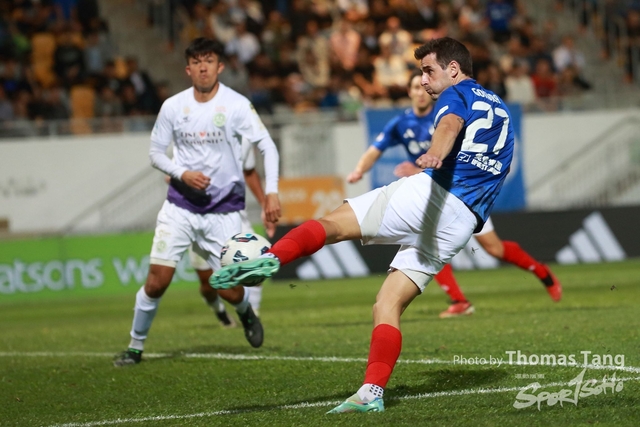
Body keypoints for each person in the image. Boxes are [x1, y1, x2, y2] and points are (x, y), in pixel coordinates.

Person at [211, 37, 514, 413]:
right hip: (463, 221)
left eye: (428, 71)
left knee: (333, 224)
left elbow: (449, 125)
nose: (423, 80)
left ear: (453, 69)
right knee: (387, 303)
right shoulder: (499, 107)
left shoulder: (456, 94)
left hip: (434, 194)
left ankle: (272, 258)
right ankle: (371, 394)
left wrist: (435, 153)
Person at [113, 38, 281, 367]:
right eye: (197, 62)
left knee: (230, 289)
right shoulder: (173, 106)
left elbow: (267, 146)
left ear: (220, 66)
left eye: (209, 61)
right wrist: (182, 174)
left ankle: (245, 313)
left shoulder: (237, 105)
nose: (203, 68)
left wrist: (272, 191)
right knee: (157, 281)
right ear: (188, 69)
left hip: (224, 212)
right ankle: (134, 347)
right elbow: (155, 154)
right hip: (180, 207)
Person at [348, 70, 561, 318]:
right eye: (415, 88)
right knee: (424, 241)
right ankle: (459, 301)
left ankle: (542, 272)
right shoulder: (401, 123)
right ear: (409, 92)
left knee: (494, 249)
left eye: (423, 87)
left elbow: (463, 155)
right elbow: (375, 149)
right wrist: (359, 170)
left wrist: (418, 169)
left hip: (465, 193)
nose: (420, 92)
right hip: (432, 191)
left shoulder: (449, 112)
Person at [189, 137, 276, 324]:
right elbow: (173, 172)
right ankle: (219, 311)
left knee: (256, 262)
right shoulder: (191, 134)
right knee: (208, 283)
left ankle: (253, 316)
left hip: (234, 214)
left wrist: (265, 205)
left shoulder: (243, 136)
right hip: (199, 219)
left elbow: (249, 171)